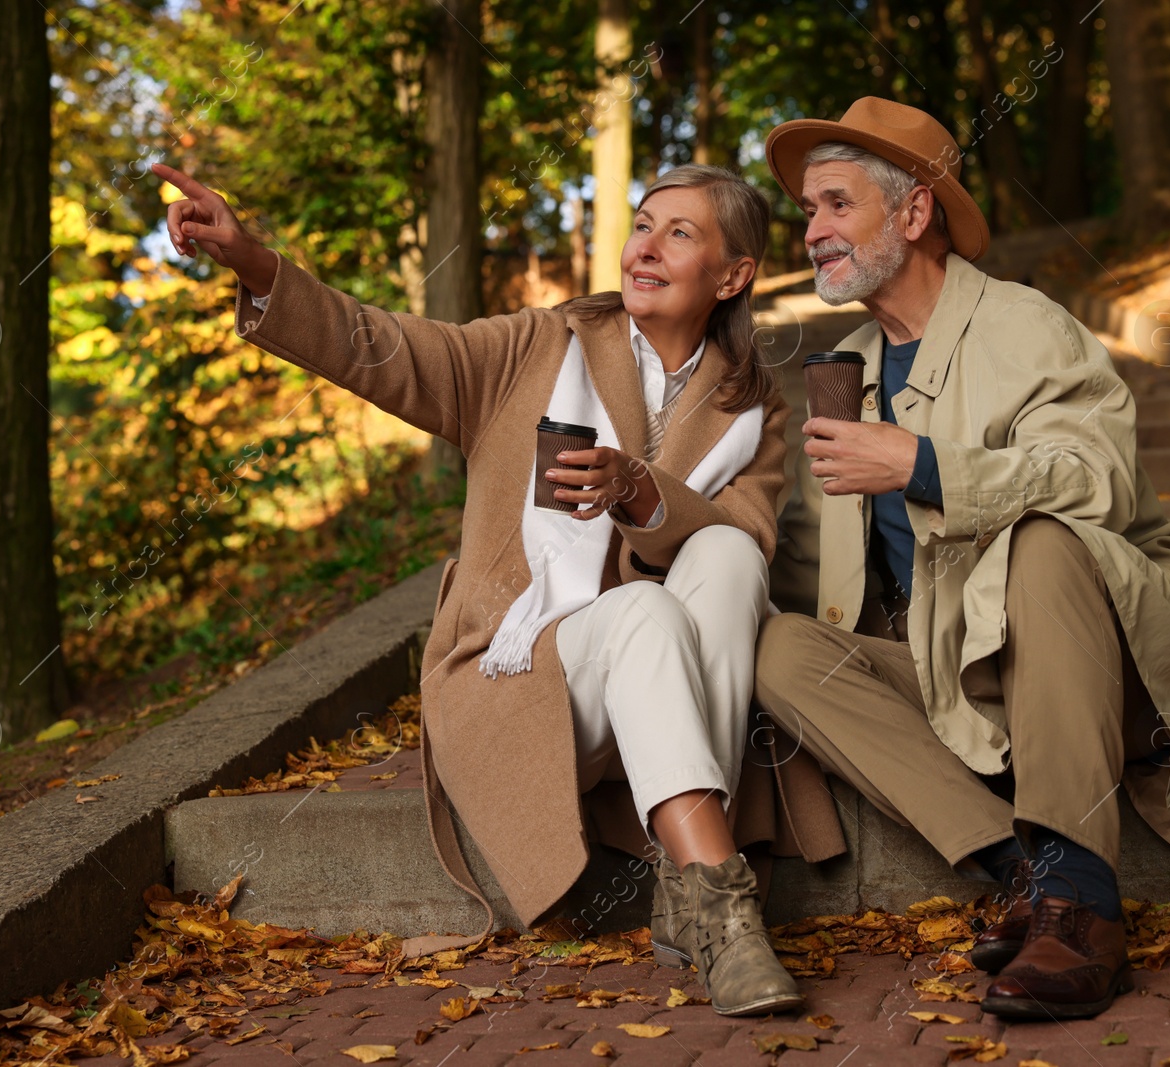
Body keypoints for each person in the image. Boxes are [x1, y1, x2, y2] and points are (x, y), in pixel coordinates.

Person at [152, 160, 812, 1016]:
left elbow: (750, 539)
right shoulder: (539, 349)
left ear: (734, 275)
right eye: (642, 224)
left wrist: (641, 491)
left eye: (679, 233)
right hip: (526, 678)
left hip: (672, 696)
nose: (645, 247)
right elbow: (378, 345)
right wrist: (255, 263)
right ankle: (724, 904)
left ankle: (691, 892)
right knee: (645, 607)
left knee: (729, 555)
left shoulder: (752, 408)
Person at [752, 98, 1170, 1020]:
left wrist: (923, 464)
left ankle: (1083, 905)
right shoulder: (843, 366)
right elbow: (796, 562)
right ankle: (1021, 873)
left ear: (915, 213)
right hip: (958, 678)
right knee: (781, 650)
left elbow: (1099, 479)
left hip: (1101, 664)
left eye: (836, 205)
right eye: (807, 211)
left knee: (1046, 537)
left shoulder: (1025, 325)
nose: (811, 232)